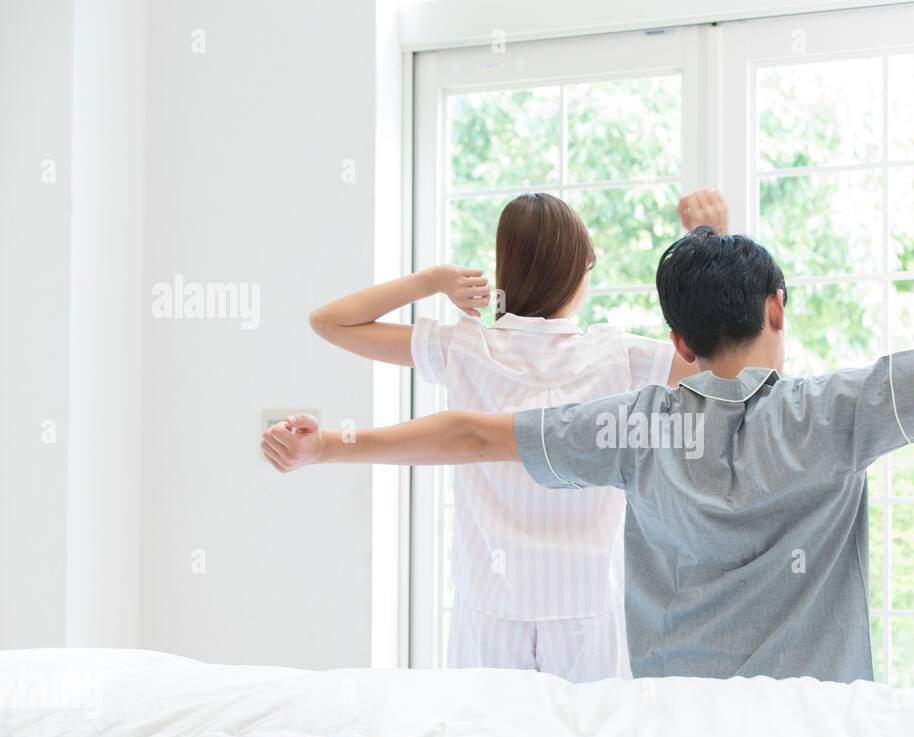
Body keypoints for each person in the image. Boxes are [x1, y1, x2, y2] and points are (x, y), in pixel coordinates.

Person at [265, 212, 914, 683]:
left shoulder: (632, 424)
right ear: (778, 309)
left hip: (673, 736)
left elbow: (466, 433)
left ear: (676, 341)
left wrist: (329, 448)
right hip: (816, 736)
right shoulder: (836, 413)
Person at [291, 191, 725, 682]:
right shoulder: (617, 356)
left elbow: (329, 321)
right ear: (577, 273)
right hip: (584, 607)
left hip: (490, 607)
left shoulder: (466, 347)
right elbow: (731, 363)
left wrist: (432, 280)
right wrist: (710, 244)